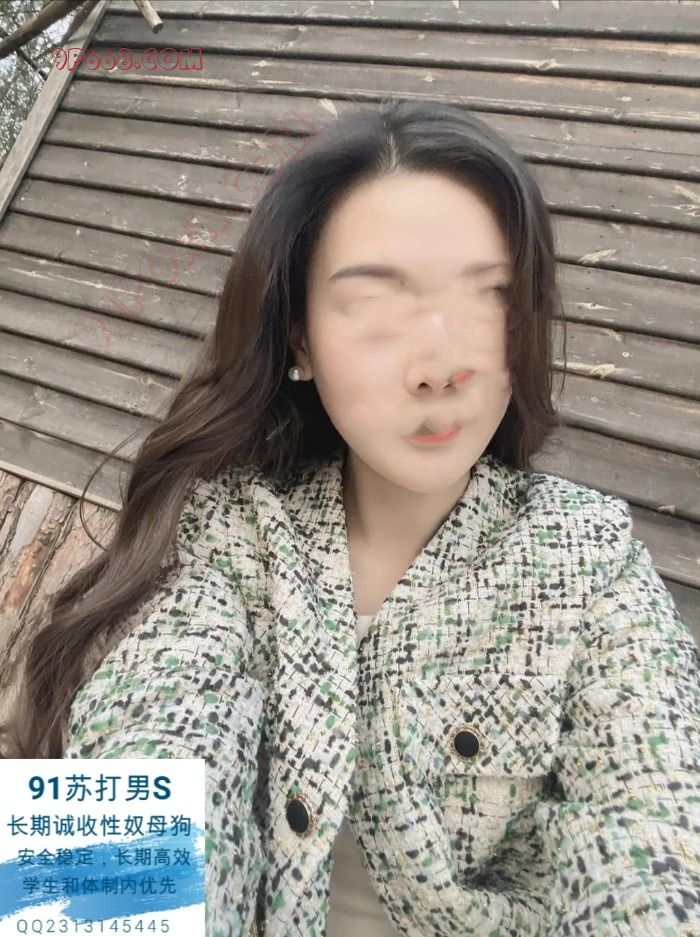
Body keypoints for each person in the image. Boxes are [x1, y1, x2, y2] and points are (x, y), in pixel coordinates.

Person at [1, 98, 698, 937]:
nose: (441, 364)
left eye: (491, 296)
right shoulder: (227, 535)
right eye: (374, 303)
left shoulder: (589, 561)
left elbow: (657, 832)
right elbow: (158, 731)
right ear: (299, 338)